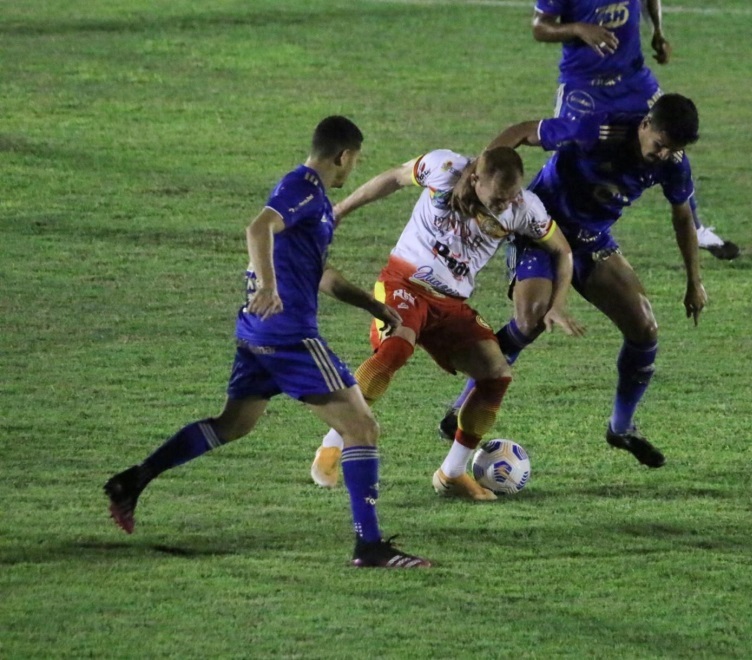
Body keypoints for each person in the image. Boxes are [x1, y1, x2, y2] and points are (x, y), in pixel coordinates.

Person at [103, 116, 431, 569]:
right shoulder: (302, 187)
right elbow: (257, 229)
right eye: (354, 161)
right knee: (362, 429)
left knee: (233, 424)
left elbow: (318, 273)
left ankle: (134, 480)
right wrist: (268, 285)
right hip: (289, 334)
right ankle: (369, 546)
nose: (351, 170)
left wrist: (370, 305)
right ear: (344, 155)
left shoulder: (313, 200)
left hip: (259, 334)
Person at [440, 93, 707, 468]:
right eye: (660, 145)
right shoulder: (597, 128)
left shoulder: (673, 162)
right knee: (530, 319)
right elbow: (521, 132)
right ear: (645, 125)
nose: (663, 155)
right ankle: (458, 412)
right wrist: (474, 178)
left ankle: (622, 428)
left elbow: (683, 218)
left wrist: (694, 281)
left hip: (590, 241)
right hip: (540, 232)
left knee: (645, 328)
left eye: (672, 150)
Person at [309, 146, 582, 498]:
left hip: (451, 304)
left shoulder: (523, 208)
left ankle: (451, 474)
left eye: (511, 196)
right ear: (476, 178)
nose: (503, 205)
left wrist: (558, 304)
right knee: (396, 349)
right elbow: (394, 177)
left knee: (496, 374)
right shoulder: (444, 168)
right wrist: (339, 211)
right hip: (403, 283)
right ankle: (335, 443)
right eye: (498, 198)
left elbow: (563, 250)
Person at [531, 0, 739, 260]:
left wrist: (658, 32)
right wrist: (578, 29)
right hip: (584, 85)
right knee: (568, 149)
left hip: (634, 80)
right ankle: (544, 221)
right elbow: (540, 27)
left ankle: (694, 228)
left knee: (671, 143)